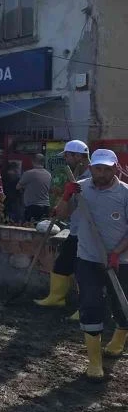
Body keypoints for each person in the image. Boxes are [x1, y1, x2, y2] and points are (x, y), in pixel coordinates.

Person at [55, 148, 128, 382]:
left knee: (122, 305)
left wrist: (116, 253)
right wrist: (66, 197)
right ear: (91, 167)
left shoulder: (125, 194)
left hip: (121, 261)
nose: (102, 173)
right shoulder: (81, 188)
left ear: (116, 168)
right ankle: (95, 363)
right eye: (98, 168)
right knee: (90, 304)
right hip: (87, 258)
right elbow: (58, 214)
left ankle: (118, 340)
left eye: (107, 168)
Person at [35, 140, 91, 317]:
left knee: (85, 272)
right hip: (76, 230)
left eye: (67, 156)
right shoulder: (77, 175)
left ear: (78, 156)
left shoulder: (92, 177)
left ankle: (86, 308)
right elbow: (67, 210)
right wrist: (61, 205)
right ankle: (56, 297)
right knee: (62, 264)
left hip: (90, 234)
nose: (66, 160)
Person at [17, 154, 51, 222]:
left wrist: (26, 186)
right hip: (46, 206)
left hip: (32, 206)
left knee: (30, 228)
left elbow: (18, 187)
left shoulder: (29, 173)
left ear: (33, 161)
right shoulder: (48, 174)